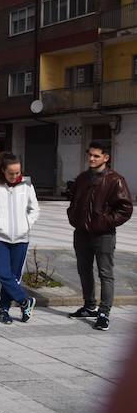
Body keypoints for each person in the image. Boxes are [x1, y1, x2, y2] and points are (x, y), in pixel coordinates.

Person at [66, 141, 133, 331]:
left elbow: (126, 209)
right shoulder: (82, 178)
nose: (91, 159)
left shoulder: (115, 180)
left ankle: (104, 313)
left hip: (103, 235)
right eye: (90, 155)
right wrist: (74, 217)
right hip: (81, 234)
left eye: (96, 156)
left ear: (106, 158)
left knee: (105, 273)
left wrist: (104, 222)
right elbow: (74, 200)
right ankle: (89, 306)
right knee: (83, 270)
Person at [0, 152, 39, 325]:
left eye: (17, 173)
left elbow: (34, 209)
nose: (15, 176)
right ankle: (25, 300)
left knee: (13, 276)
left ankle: (4, 309)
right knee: (1, 273)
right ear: (3, 170)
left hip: (21, 238)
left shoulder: (26, 185)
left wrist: (27, 224)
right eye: (11, 173)